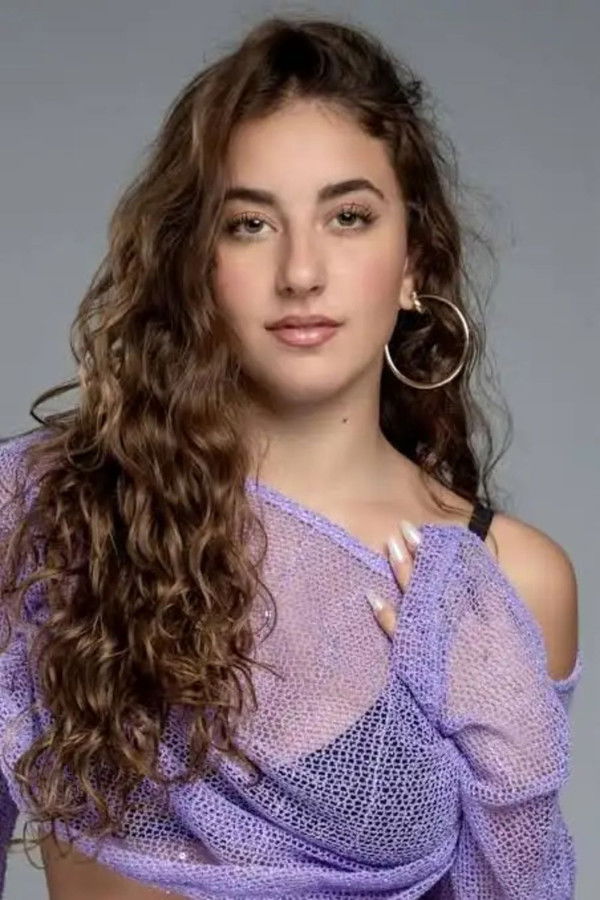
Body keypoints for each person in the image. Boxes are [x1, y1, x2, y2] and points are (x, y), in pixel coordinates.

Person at [0, 13, 582, 900]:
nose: (301, 272)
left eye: (349, 217)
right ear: (195, 262)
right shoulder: (46, 515)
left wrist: (516, 782)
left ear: (414, 260)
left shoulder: (507, 581)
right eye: (249, 224)